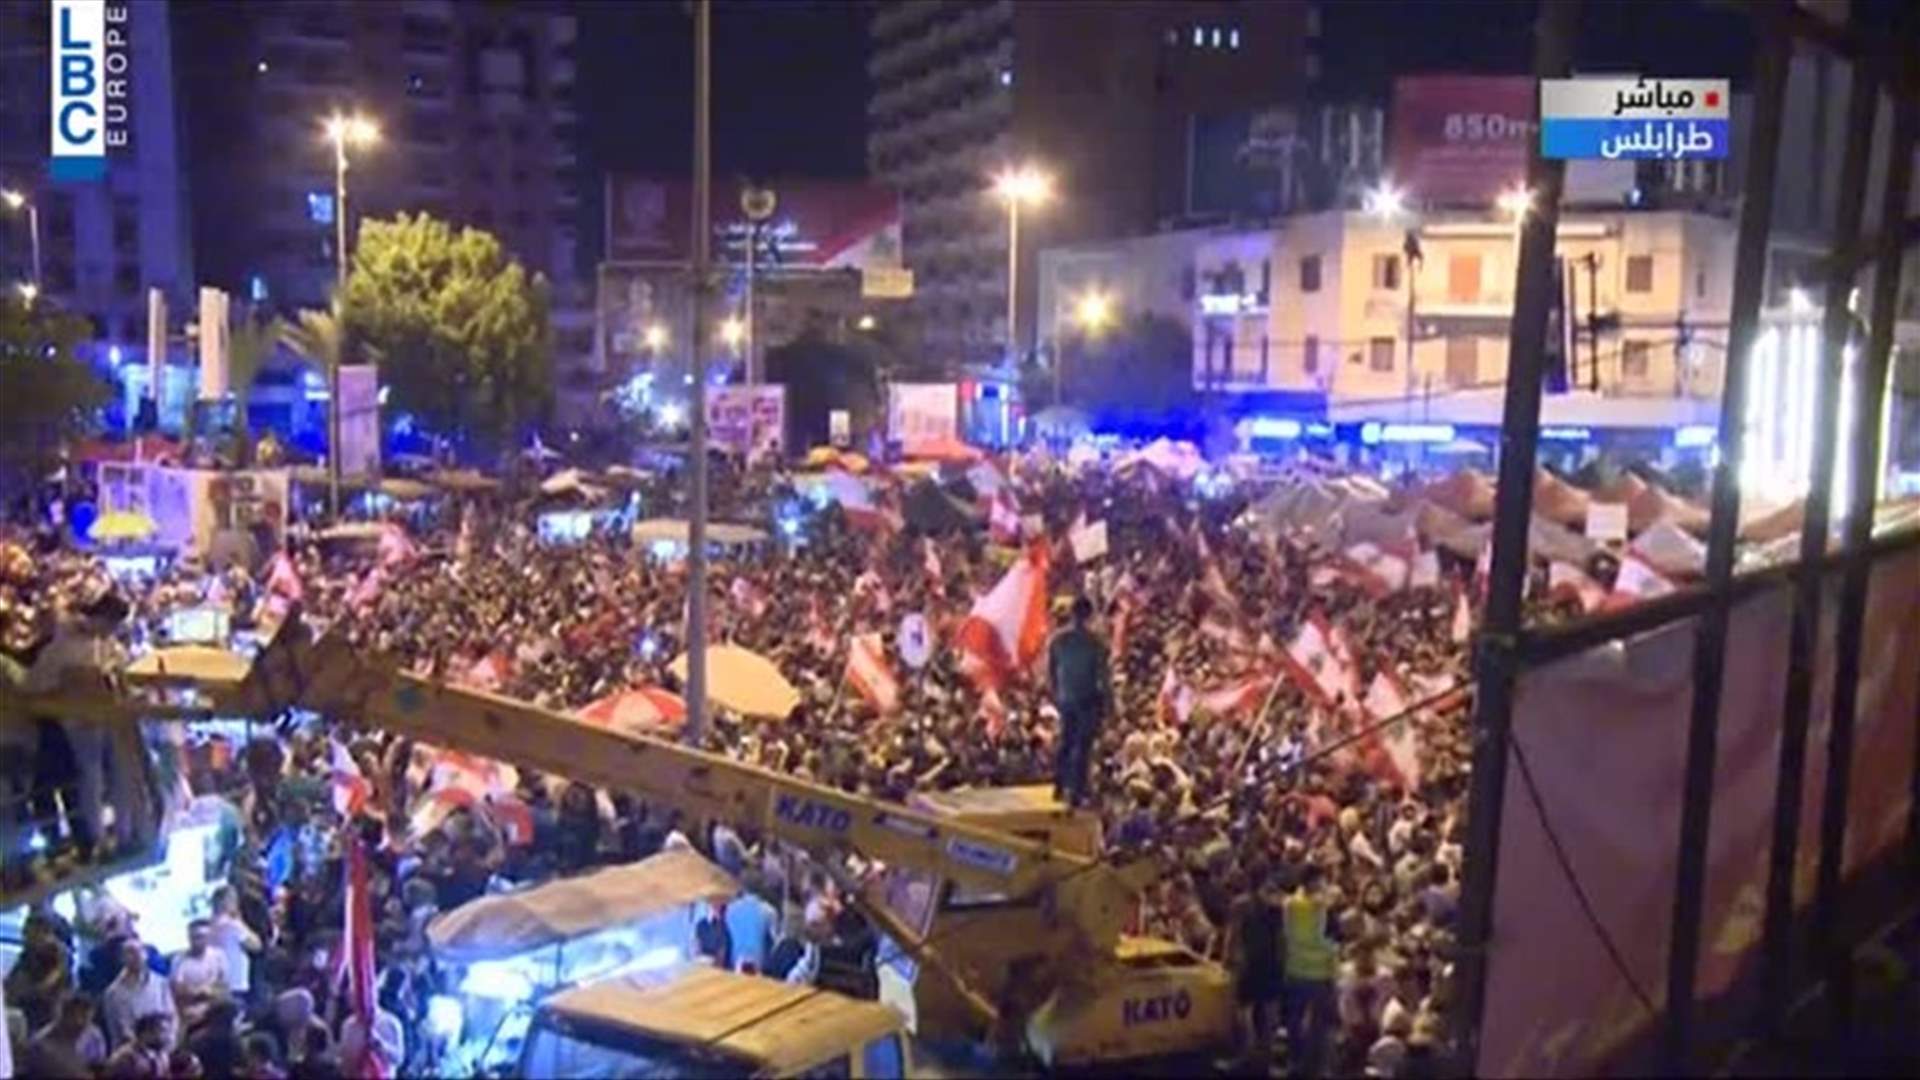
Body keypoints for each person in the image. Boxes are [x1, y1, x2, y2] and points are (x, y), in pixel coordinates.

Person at [1046, 595, 1110, 808]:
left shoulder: (1058, 640)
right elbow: (1103, 677)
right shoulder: (1095, 643)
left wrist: (1057, 694)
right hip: (1087, 699)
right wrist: (1109, 704)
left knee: (1066, 743)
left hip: (1067, 698)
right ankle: (1076, 792)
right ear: (1089, 615)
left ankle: (1059, 785)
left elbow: (1052, 672)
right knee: (1083, 746)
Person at [1222, 867, 1287, 1071]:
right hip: (1266, 964)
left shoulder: (1241, 905)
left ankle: (1252, 1055)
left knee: (1248, 1011)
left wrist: (1228, 957)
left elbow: (1233, 934)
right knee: (1262, 1013)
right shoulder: (1275, 904)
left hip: (1253, 964)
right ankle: (1260, 1057)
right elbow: (1282, 938)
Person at [1282, 864, 1339, 1078]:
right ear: (1313, 881)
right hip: (1320, 972)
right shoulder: (1321, 907)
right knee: (1320, 1025)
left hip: (1295, 969)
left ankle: (1295, 1062)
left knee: (1294, 1021)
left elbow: (1288, 934)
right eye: (1321, 879)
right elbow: (1329, 938)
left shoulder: (1289, 904)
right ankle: (1316, 1067)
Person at [102, 940, 177, 1051]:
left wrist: (169, 1040)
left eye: (140, 951)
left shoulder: (161, 983)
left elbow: (171, 1015)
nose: (137, 955)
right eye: (131, 952)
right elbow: (121, 1031)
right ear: (122, 959)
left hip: (164, 1049)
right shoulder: (113, 993)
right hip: (132, 1055)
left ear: (146, 955)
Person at [24, 994, 107, 1078]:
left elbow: (98, 1070)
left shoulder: (94, 1035)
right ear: (60, 1016)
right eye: (73, 1016)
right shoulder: (42, 1046)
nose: (79, 1022)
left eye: (85, 1017)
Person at [206, 886, 262, 1009]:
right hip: (236, 983)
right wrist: (240, 920)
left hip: (216, 985)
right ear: (227, 902)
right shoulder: (234, 926)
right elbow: (256, 945)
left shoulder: (207, 927)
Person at [169, 919, 230, 1031]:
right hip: (189, 1014)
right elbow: (177, 990)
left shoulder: (219, 957)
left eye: (201, 937)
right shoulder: (179, 960)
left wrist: (209, 993)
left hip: (214, 1012)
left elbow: (224, 987)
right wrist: (201, 991)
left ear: (208, 937)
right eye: (193, 937)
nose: (197, 941)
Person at [693, 900, 733, 970]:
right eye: (713, 907)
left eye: (717, 907)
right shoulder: (701, 924)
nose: (715, 909)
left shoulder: (724, 928)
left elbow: (721, 956)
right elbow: (697, 947)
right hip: (702, 966)